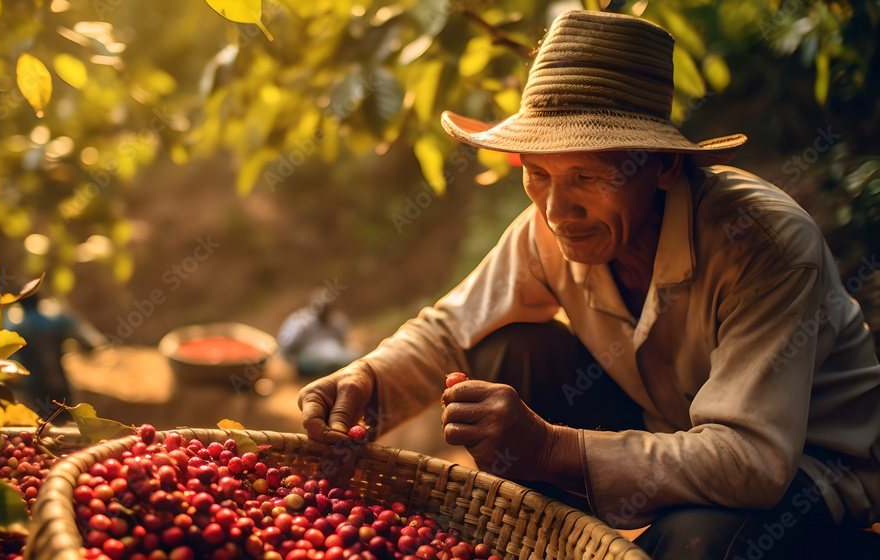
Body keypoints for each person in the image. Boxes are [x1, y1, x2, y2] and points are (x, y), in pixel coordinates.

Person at [297, 10, 880, 559]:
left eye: (589, 175)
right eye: (538, 173)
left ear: (664, 166)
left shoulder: (764, 245)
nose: (556, 210)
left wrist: (552, 449)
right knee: (506, 352)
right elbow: (453, 328)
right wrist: (366, 381)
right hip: (668, 427)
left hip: (811, 466)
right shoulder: (557, 227)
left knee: (693, 541)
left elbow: (752, 459)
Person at [277, 287, 360, 378]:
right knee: (331, 364)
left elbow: (342, 342)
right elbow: (287, 350)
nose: (324, 312)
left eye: (327, 309)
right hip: (309, 359)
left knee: (355, 356)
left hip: (335, 355)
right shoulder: (300, 322)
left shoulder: (336, 321)